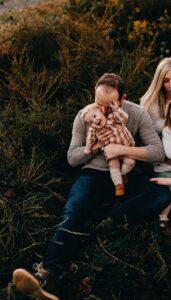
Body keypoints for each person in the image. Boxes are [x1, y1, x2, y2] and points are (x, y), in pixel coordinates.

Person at [12, 73, 171, 300]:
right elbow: (72, 158)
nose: (103, 112)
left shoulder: (136, 113)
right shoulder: (85, 115)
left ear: (123, 99)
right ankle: (48, 276)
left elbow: (156, 150)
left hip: (127, 175)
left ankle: (106, 220)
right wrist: (97, 144)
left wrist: (121, 150)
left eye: (110, 107)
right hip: (93, 174)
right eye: (99, 105)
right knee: (74, 208)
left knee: (161, 194)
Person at [140, 58, 171, 228]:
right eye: (165, 80)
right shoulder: (150, 105)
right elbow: (148, 142)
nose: (170, 85)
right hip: (162, 163)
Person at [81, 99, 135, 196]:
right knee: (113, 165)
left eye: (94, 116)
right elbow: (90, 139)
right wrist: (88, 148)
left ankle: (122, 174)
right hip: (111, 152)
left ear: (100, 111)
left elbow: (124, 118)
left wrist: (116, 110)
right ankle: (119, 186)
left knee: (130, 162)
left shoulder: (112, 117)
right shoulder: (93, 130)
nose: (95, 121)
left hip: (126, 148)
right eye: (91, 122)